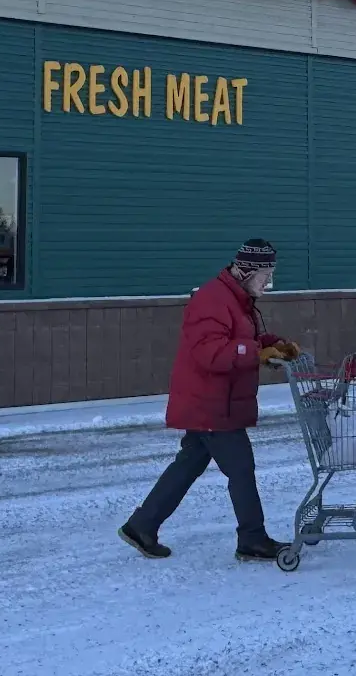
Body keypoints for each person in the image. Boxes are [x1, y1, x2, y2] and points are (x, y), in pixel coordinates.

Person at [119, 239, 302, 562]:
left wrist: (274, 344)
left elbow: (239, 340)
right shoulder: (212, 300)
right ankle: (252, 538)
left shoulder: (236, 300)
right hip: (212, 403)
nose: (269, 284)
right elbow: (210, 352)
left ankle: (142, 525)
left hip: (216, 401)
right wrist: (256, 353)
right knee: (241, 467)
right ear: (245, 271)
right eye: (265, 276)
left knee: (189, 464)